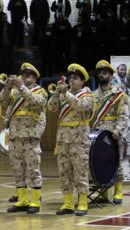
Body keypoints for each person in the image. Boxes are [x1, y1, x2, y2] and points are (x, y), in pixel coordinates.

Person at [0, 63, 47, 214]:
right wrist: (7, 87)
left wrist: (21, 87)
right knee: (18, 170)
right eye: (23, 75)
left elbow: (37, 103)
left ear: (34, 78)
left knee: (33, 170)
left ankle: (35, 201)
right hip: (15, 136)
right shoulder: (14, 92)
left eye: (27, 75)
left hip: (30, 136)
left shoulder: (41, 91)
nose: (23, 77)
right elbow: (0, 102)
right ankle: (22, 200)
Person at [48, 63, 93, 216]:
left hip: (79, 140)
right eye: (70, 78)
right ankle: (67, 203)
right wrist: (56, 94)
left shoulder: (88, 95)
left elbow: (79, 106)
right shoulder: (63, 95)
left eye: (75, 78)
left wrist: (65, 93)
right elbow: (51, 108)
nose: (71, 80)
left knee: (80, 172)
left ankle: (82, 202)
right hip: (63, 140)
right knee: (64, 172)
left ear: (82, 81)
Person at [91, 60, 129, 204]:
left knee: (116, 163)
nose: (102, 75)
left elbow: (124, 115)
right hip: (98, 135)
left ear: (111, 76)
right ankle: (103, 192)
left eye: (105, 73)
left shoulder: (119, 94)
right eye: (100, 73)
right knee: (100, 163)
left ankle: (118, 191)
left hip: (113, 134)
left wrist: (118, 131)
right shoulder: (93, 96)